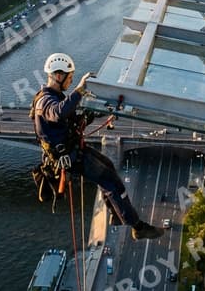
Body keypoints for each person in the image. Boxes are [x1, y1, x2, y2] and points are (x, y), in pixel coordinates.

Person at [31, 52, 163, 240]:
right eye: (69, 78)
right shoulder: (45, 102)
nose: (71, 81)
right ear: (58, 76)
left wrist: (99, 111)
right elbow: (58, 113)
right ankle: (138, 227)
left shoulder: (55, 97)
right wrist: (80, 90)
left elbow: (72, 119)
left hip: (74, 151)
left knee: (108, 166)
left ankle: (117, 215)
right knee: (110, 181)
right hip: (70, 157)